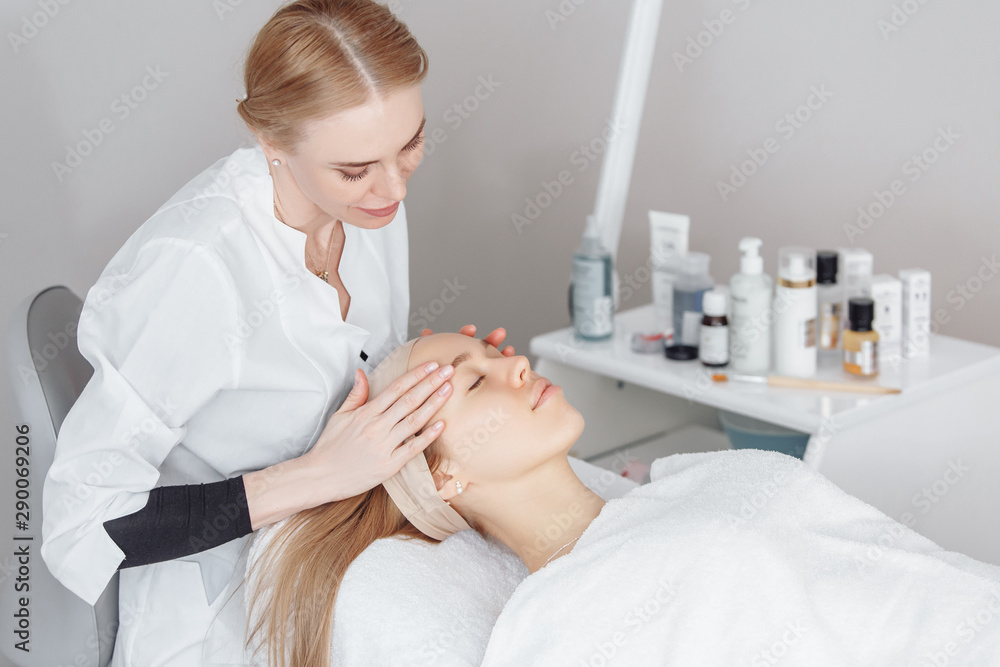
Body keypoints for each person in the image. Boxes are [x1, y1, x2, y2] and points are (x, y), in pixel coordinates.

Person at [40, 2, 512, 665]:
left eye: (410, 144)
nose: (394, 187)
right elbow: (82, 524)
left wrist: (445, 373)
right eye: (354, 169)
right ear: (271, 141)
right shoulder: (199, 269)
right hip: (219, 621)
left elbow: (348, 378)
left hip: (338, 569)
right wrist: (315, 475)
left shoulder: (368, 209)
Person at [249, 332, 1000, 667]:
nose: (515, 364)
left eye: (492, 353)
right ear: (446, 479)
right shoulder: (560, 622)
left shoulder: (704, 476)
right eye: (475, 381)